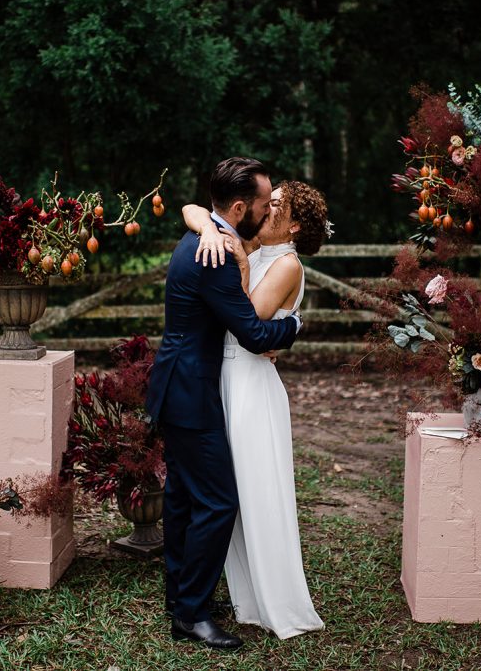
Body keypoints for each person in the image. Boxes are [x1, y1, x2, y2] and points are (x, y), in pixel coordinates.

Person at [145, 157, 302, 651]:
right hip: (192, 395)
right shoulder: (212, 256)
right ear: (238, 208)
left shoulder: (205, 235)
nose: (266, 209)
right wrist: (295, 326)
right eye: (261, 204)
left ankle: (180, 599)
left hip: (179, 387)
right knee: (217, 502)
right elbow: (255, 334)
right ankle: (191, 614)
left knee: (185, 499)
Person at [181, 180, 330, 639]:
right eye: (268, 204)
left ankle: (275, 599)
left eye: (277, 208)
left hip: (251, 388)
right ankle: (242, 594)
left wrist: (242, 261)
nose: (266, 212)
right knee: (230, 496)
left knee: (257, 494)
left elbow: (245, 317)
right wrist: (209, 228)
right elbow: (190, 207)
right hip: (225, 380)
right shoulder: (253, 243)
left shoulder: (285, 264)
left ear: (295, 225)